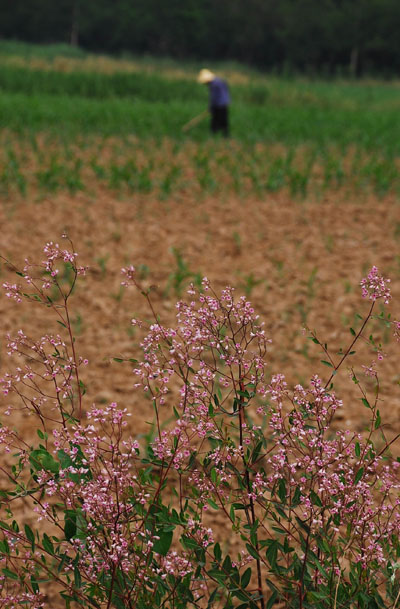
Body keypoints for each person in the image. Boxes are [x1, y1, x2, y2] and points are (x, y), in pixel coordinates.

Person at [197, 69, 230, 137]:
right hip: (224, 103)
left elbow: (214, 97)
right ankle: (224, 135)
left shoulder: (213, 85)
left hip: (219, 104)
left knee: (216, 120)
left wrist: (211, 107)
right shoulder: (219, 80)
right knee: (223, 120)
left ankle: (214, 134)